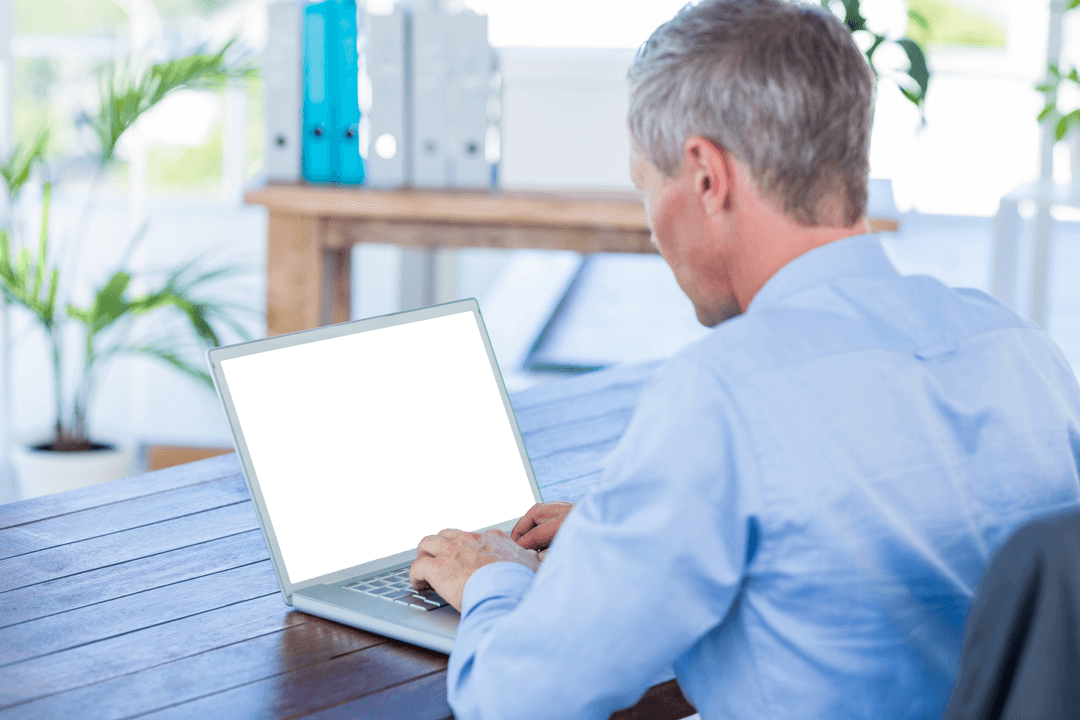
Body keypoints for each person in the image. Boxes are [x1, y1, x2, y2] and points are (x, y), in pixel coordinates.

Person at [408, 1, 1080, 718]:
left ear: (705, 176)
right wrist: (631, 537)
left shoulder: (723, 394)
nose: (653, 229)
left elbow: (514, 702)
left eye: (646, 187)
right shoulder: (1016, 346)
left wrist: (490, 577)